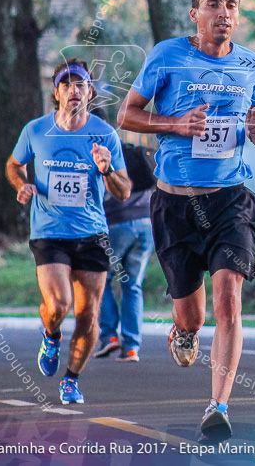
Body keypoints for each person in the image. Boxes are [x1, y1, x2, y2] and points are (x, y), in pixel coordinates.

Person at [117, 0, 255, 443]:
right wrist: (176, 125)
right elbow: (126, 116)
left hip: (231, 201)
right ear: (194, 12)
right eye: (214, 4)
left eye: (231, 4)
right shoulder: (167, 56)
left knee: (229, 300)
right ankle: (183, 331)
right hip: (175, 205)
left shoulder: (252, 66)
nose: (223, 13)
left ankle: (218, 405)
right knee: (194, 316)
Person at [6, 59, 132, 405]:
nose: (74, 90)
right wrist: (22, 184)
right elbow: (14, 164)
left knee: (88, 314)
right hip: (49, 231)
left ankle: (71, 379)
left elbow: (123, 191)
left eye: (81, 85)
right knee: (58, 303)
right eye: (67, 84)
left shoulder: (105, 135)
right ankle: (50, 335)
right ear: (56, 92)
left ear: (90, 93)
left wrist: (106, 169)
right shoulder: (36, 130)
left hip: (91, 233)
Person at [92, 142, 156, 363]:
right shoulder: (131, 150)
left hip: (117, 224)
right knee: (133, 285)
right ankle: (131, 346)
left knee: (102, 280)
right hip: (146, 223)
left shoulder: (103, 156)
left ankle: (109, 335)